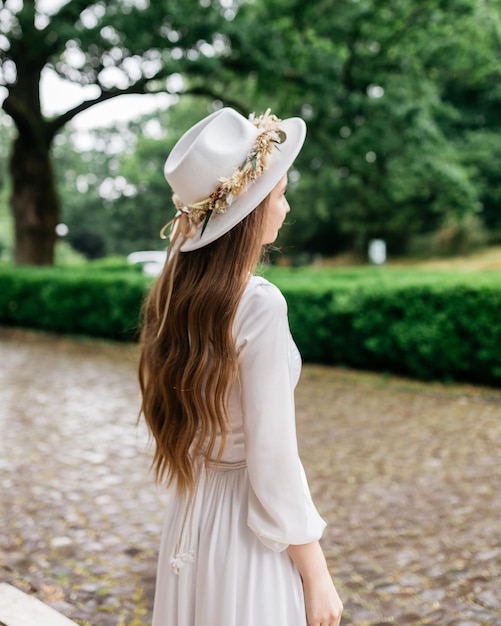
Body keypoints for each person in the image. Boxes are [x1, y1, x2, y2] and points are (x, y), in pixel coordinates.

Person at [138, 107, 343, 626]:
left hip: (192, 511)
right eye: (278, 195)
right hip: (247, 531)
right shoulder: (258, 304)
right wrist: (315, 573)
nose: (286, 206)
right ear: (249, 209)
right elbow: (273, 460)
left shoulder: (176, 295)